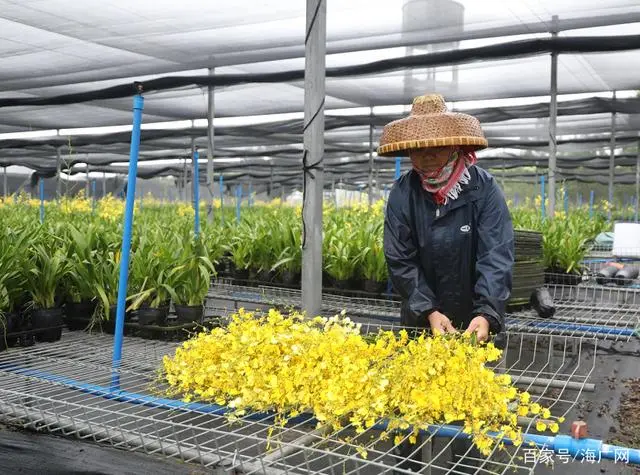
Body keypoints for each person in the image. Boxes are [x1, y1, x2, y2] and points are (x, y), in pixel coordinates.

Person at [377, 93, 515, 473]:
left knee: (468, 409)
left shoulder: (483, 190)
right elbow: (399, 258)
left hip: (473, 322)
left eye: (434, 147)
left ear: (454, 144)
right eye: (417, 151)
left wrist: (487, 313)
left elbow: (496, 254)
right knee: (410, 409)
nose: (425, 158)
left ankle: (467, 468)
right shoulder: (403, 192)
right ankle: (406, 467)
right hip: (422, 318)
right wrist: (427, 310)